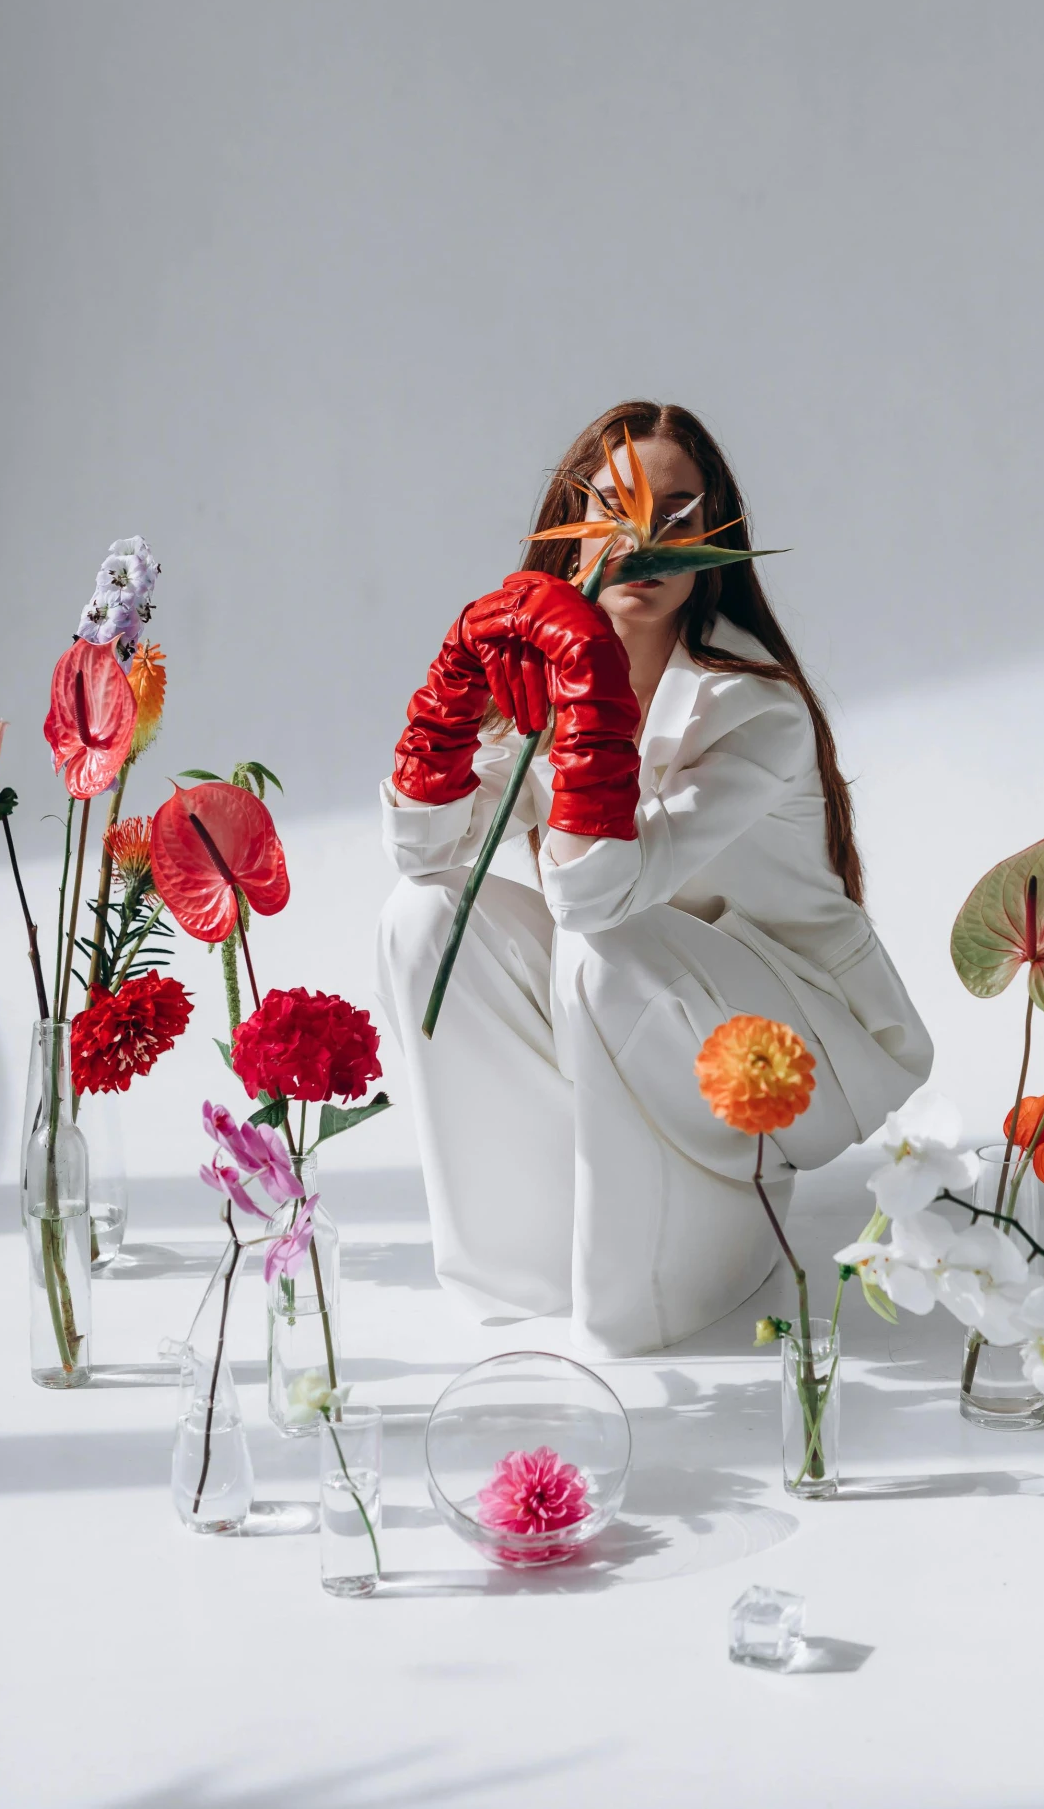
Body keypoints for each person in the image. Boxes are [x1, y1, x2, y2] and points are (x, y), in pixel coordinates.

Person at [375, 400, 932, 1357]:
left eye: (676, 513)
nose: (641, 538)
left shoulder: (754, 711)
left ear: (714, 536)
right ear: (568, 524)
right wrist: (457, 686)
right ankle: (524, 1263)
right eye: (610, 505)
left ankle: (641, 1289)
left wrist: (589, 682)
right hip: (646, 1000)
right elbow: (427, 856)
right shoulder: (540, 670)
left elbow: (596, 896)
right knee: (419, 920)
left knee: (601, 949)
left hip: (798, 1040)